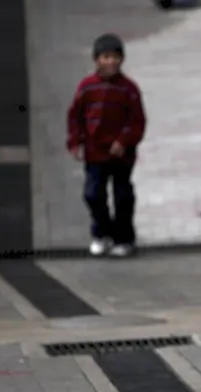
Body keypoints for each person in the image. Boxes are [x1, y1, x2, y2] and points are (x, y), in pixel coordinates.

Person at [66, 33, 146, 257]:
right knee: (93, 194)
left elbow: (137, 121)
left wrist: (123, 141)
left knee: (122, 197)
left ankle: (124, 238)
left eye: (115, 57)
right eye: (106, 57)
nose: (111, 62)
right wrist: (75, 142)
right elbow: (75, 117)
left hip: (121, 155)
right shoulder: (87, 87)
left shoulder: (128, 89)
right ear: (97, 59)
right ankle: (101, 233)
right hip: (94, 152)